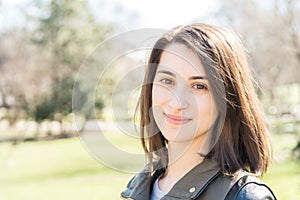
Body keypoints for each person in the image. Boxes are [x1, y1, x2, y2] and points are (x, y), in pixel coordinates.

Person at [121, 23, 277, 200]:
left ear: (227, 99)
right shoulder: (139, 186)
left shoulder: (242, 196)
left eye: (198, 86)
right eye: (167, 81)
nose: (176, 102)